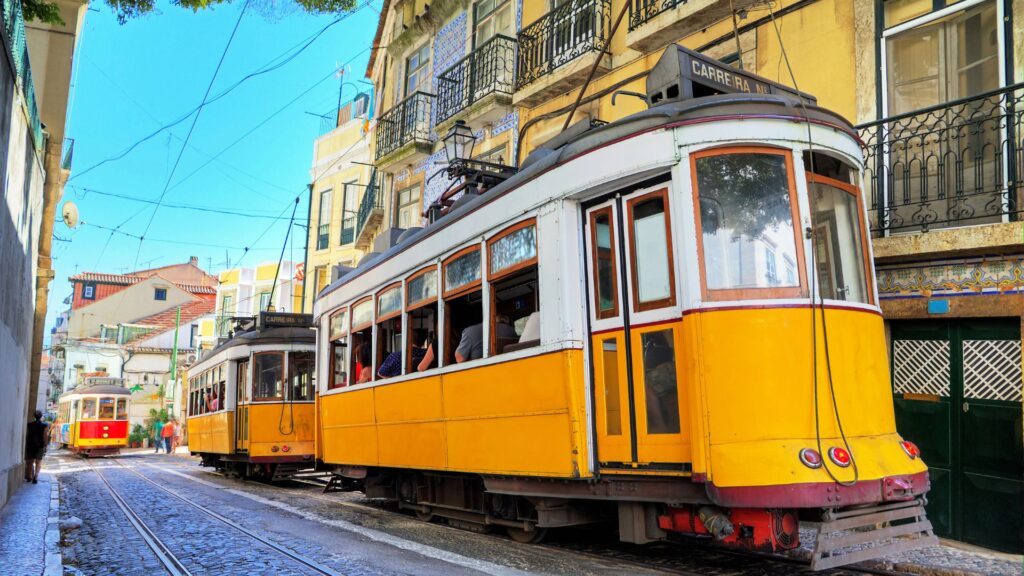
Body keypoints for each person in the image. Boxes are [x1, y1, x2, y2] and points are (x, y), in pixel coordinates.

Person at [24, 410, 48, 484]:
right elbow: (45, 436)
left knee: (30, 462)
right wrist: (45, 445)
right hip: (40, 445)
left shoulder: (29, 425)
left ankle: (29, 476)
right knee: (38, 461)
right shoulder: (45, 425)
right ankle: (36, 476)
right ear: (41, 417)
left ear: (34, 416)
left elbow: (27, 435)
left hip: (30, 445)